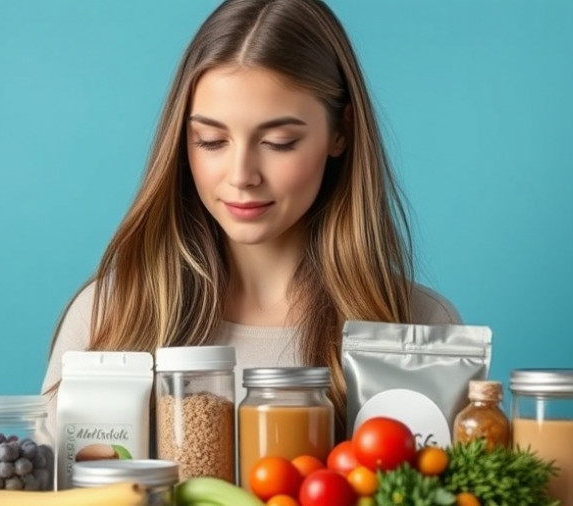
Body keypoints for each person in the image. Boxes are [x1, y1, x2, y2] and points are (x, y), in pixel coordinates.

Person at [42, 0, 461, 440]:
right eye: (210, 140)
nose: (242, 176)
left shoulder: (417, 327)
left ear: (341, 132)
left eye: (279, 142)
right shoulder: (110, 313)